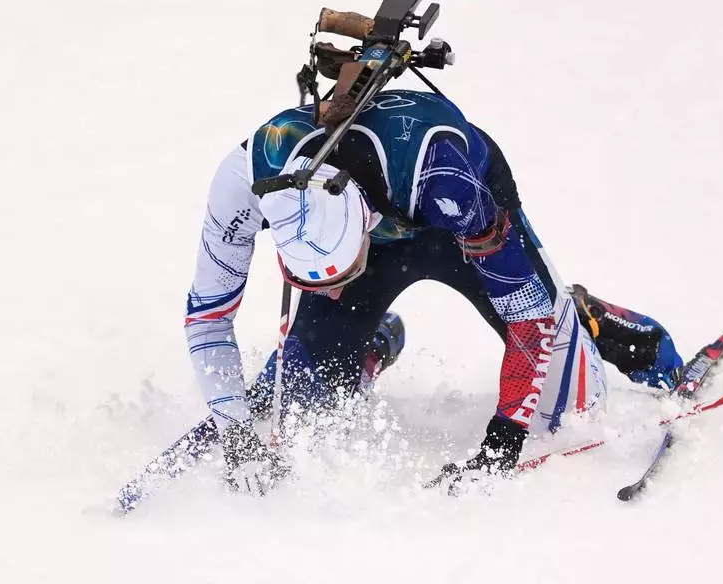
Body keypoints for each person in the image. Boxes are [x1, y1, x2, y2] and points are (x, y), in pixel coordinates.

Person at [183, 87, 682, 494]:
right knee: (304, 423)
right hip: (374, 237)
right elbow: (207, 315)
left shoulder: (451, 190)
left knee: (571, 415)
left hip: (456, 227)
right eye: (311, 282)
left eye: (337, 279)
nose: (330, 293)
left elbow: (528, 324)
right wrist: (237, 433)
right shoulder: (247, 180)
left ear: (365, 224)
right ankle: (369, 343)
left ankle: (581, 314)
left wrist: (503, 437)